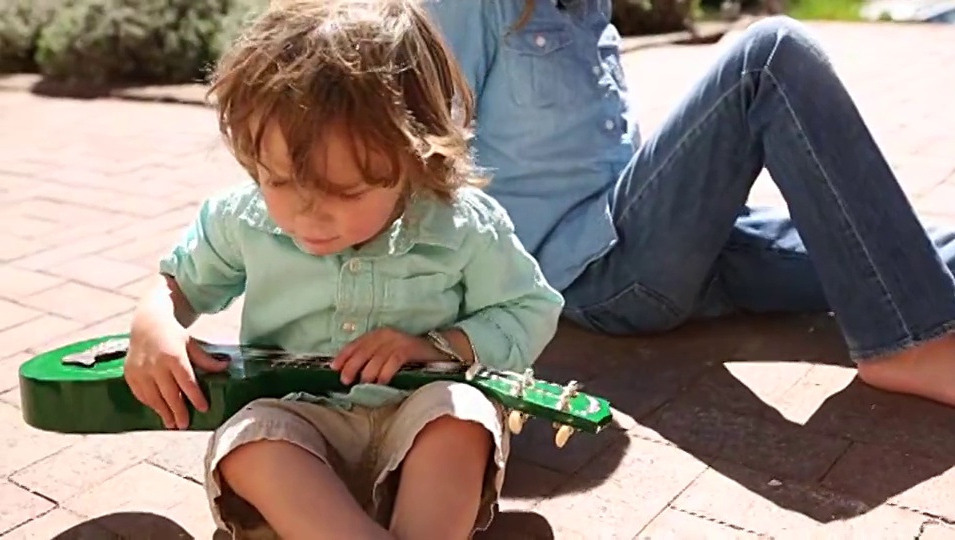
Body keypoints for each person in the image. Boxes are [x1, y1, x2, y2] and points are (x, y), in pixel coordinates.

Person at [122, 1, 564, 539]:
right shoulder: (242, 218)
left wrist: (439, 345)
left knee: (462, 415)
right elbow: (176, 288)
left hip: (416, 425)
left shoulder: (463, 225)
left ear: (413, 155)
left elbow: (531, 308)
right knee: (251, 437)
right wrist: (154, 325)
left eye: (344, 190)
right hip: (300, 428)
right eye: (278, 181)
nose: (307, 212)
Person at [422, 0, 955, 407]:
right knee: (771, 55)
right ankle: (904, 347)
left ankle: (914, 322)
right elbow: (429, 157)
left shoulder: (588, 7)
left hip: (667, 240)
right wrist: (436, 323)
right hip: (597, 274)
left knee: (904, 259)